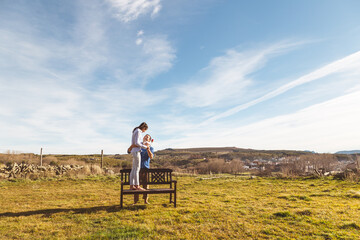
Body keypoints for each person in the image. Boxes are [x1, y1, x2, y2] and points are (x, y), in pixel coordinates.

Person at [133, 134, 154, 204]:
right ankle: (135, 201)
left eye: (148, 137)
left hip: (145, 168)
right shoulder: (139, 147)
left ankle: (145, 200)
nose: (146, 137)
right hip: (138, 168)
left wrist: (148, 149)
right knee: (136, 184)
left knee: (146, 185)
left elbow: (151, 156)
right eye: (145, 136)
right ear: (143, 139)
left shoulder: (151, 148)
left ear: (149, 140)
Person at [129, 122, 149, 190]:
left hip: (134, 151)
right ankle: (137, 185)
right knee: (137, 169)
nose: (144, 132)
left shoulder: (136, 130)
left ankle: (131, 185)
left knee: (133, 169)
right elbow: (137, 143)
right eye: (145, 130)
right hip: (137, 151)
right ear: (144, 128)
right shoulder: (138, 131)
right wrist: (145, 147)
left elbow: (136, 142)